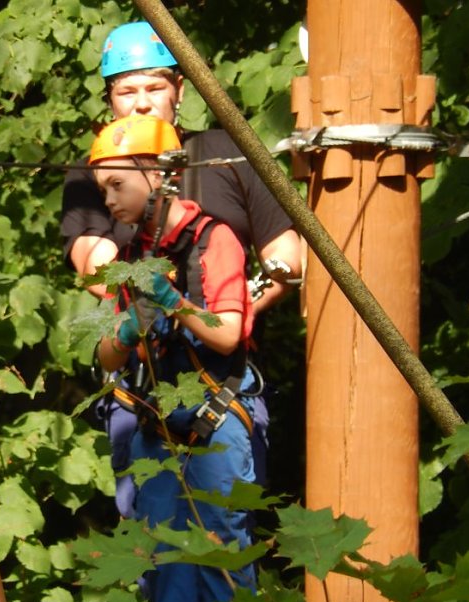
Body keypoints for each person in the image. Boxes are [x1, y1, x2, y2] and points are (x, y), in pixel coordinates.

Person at [61, 21, 301, 517]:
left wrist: (220, 315)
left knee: (224, 528)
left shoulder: (225, 153)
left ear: (180, 90)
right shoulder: (98, 169)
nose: (143, 102)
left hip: (224, 376)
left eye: (155, 86)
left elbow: (288, 256)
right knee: (152, 542)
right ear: (110, 99)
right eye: (127, 91)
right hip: (142, 375)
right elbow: (92, 265)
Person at [89, 113, 257, 602]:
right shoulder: (132, 258)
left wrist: (172, 302)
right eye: (102, 189)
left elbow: (228, 334)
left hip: (213, 420)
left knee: (223, 559)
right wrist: (127, 328)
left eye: (118, 184)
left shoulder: (215, 239)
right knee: (162, 564)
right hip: (157, 429)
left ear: (157, 174)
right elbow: (107, 356)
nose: (109, 201)